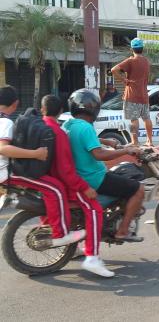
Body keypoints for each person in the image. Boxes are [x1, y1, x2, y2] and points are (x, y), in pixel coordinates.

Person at [0, 87, 85, 250]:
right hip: (6, 172)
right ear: (15, 103)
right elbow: (3, 149)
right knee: (56, 189)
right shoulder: (5, 122)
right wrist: (35, 154)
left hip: (8, 170)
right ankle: (59, 235)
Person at [41, 95, 112, 277]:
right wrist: (83, 187)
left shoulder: (58, 127)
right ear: (60, 112)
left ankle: (78, 248)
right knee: (95, 210)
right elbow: (66, 169)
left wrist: (105, 141)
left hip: (51, 179)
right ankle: (92, 258)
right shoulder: (59, 132)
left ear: (43, 109)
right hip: (70, 181)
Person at [63, 89, 144, 242]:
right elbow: (99, 155)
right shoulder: (86, 127)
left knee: (121, 177)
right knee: (138, 189)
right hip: (94, 178)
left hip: (79, 176)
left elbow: (85, 140)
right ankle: (123, 231)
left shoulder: (70, 124)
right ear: (93, 108)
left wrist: (108, 142)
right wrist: (126, 150)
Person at [111, 38, 152, 146]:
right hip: (144, 96)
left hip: (132, 96)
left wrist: (123, 79)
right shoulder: (146, 61)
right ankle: (150, 141)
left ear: (131, 49)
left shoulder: (131, 61)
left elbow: (113, 70)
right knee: (146, 118)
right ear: (142, 49)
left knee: (134, 120)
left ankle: (135, 141)